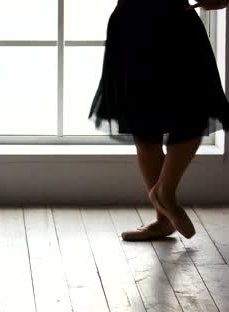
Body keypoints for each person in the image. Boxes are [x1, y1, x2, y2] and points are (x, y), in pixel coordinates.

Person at [90, 0, 229, 241]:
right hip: (133, 27)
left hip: (177, 23)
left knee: (195, 112)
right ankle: (163, 218)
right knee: (143, 127)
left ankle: (164, 192)